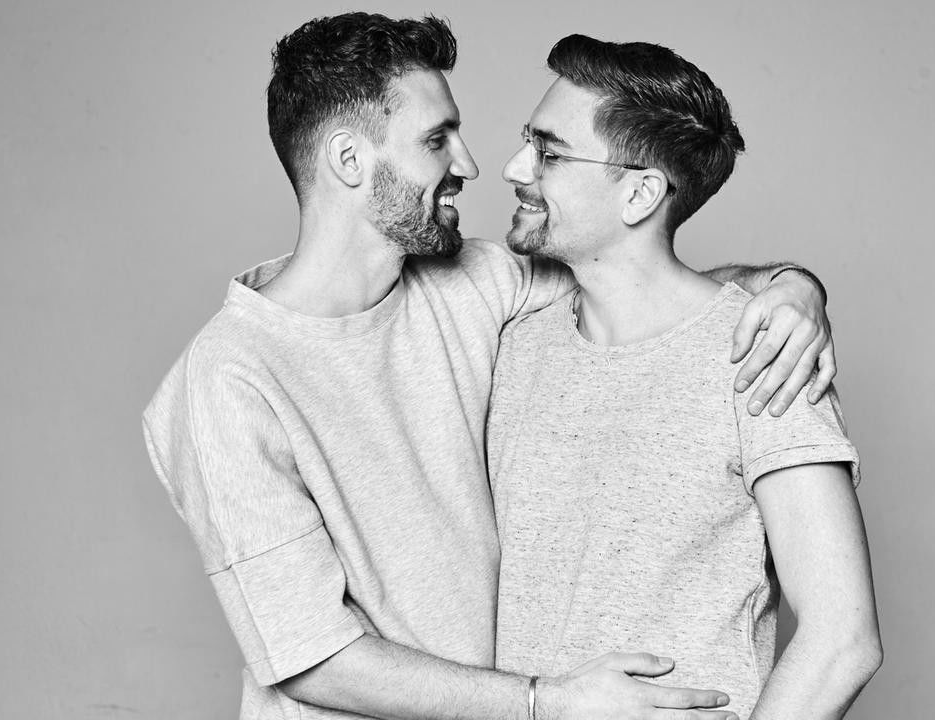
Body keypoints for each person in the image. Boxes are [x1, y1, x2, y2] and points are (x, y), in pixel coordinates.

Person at [142, 13, 838, 720]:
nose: (472, 164)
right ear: (350, 160)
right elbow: (313, 658)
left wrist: (789, 288)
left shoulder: (477, 285)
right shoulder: (228, 378)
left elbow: (636, 280)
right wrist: (547, 702)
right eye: (436, 139)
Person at [489, 35, 882, 720]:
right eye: (528, 142)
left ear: (641, 193)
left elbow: (842, 640)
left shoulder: (762, 354)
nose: (515, 168)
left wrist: (795, 289)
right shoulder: (514, 341)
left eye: (550, 153)